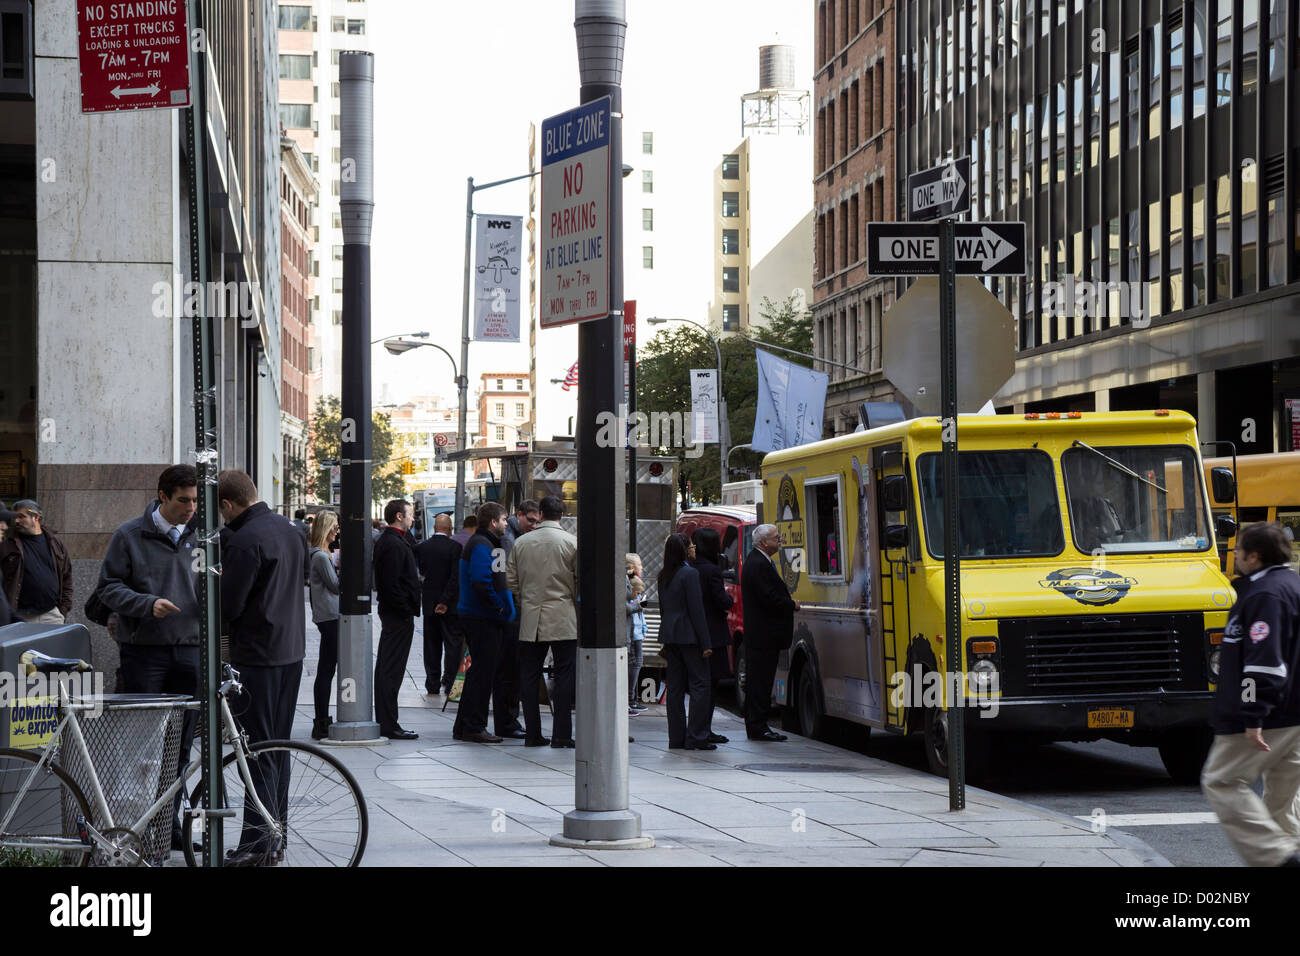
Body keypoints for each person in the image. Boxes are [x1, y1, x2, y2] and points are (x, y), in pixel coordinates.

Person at [96, 465, 201, 852]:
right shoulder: (129, 535)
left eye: (194, 500)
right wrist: (145, 604)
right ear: (163, 496)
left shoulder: (202, 536)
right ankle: (134, 828)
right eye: (183, 500)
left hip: (190, 651)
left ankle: (168, 823)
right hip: (144, 654)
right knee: (143, 746)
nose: (191, 508)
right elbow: (107, 587)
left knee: (181, 743)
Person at [217, 470, 306, 866]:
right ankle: (273, 838)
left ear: (227, 505)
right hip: (291, 651)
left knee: (257, 751)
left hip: (258, 655)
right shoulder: (289, 530)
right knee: (278, 748)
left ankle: (258, 844)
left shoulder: (243, 540)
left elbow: (228, 606)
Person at [1202, 522, 1300, 867]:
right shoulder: (1292, 585)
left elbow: (1263, 663)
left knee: (1222, 781)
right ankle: (1286, 853)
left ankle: (1279, 859)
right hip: (1293, 714)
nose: (1234, 554)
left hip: (1269, 713)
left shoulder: (1264, 595)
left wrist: (1252, 713)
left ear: (1254, 556)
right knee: (1280, 803)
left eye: (1238, 548)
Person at [507, 495, 577, 748]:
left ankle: (532, 733)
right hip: (563, 615)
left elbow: (511, 582)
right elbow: (580, 581)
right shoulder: (572, 543)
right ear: (562, 515)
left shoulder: (521, 543)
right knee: (565, 675)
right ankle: (561, 734)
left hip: (531, 617)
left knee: (528, 675)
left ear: (542, 514)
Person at [451, 502, 515, 744]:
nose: (506, 524)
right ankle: (474, 726)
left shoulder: (482, 543)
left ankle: (464, 725)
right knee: (482, 674)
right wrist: (497, 605)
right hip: (481, 617)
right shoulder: (482, 544)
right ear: (493, 522)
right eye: (504, 519)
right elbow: (480, 579)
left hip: (477, 615)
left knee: (478, 672)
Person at [741, 523, 798, 742]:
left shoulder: (759, 561)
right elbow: (769, 597)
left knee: (761, 681)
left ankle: (758, 725)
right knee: (760, 682)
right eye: (776, 537)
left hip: (763, 635)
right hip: (763, 636)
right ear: (764, 542)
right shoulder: (757, 564)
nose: (780, 540)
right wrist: (791, 604)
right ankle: (758, 727)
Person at [658, 533, 714, 750]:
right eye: (690, 546)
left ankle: (677, 737)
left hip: (671, 636)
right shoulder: (690, 574)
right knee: (700, 684)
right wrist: (706, 643)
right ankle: (697, 737)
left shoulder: (664, 575)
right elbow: (696, 610)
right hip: (690, 636)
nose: (693, 549)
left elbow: (664, 609)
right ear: (683, 549)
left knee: (675, 688)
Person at [372, 498, 422, 740]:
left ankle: (388, 721)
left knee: (390, 668)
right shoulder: (392, 543)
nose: (413, 518)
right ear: (399, 517)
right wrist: (405, 608)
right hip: (397, 615)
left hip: (397, 613)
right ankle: (388, 723)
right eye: (409, 514)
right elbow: (391, 584)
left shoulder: (396, 540)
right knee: (390, 669)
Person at [492, 499, 540, 739]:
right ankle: (507, 721)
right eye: (530, 520)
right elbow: (508, 579)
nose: (533, 525)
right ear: (518, 515)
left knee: (509, 669)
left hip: (511, 611)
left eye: (536, 521)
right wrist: (512, 609)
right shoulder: (509, 540)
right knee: (509, 669)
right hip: (511, 613)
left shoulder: (513, 537)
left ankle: (509, 719)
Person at [691, 527, 734, 744]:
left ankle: (696, 728)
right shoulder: (712, 571)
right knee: (710, 684)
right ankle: (704, 729)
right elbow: (722, 601)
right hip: (713, 634)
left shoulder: (688, 568)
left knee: (698, 684)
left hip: (692, 633)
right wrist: (728, 600)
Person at [0, 499, 73, 624]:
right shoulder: (8, 545)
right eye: (15, 517)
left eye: (21, 517)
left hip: (52, 615)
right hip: (20, 616)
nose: (16, 521)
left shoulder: (55, 543)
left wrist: (62, 610)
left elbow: (67, 577)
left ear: (36, 517)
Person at [415, 512, 463, 696]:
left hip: (428, 604)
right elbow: (454, 578)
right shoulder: (455, 547)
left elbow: (422, 572)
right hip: (449, 606)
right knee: (452, 645)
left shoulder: (423, 547)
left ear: (434, 528)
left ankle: (432, 683)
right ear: (450, 529)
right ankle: (450, 683)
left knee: (431, 645)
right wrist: (444, 601)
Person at [307, 511, 341, 740]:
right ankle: (321, 721)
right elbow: (336, 586)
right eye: (335, 527)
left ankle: (321, 720)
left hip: (328, 615)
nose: (337, 531)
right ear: (326, 529)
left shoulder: (322, 554)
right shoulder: (320, 556)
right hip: (329, 616)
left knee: (326, 669)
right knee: (326, 670)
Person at [626, 554, 648, 714]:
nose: (642, 567)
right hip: (633, 630)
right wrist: (641, 605)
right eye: (639, 564)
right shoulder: (631, 582)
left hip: (636, 629)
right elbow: (629, 607)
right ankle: (631, 699)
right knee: (635, 663)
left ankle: (631, 699)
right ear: (632, 567)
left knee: (636, 663)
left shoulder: (634, 581)